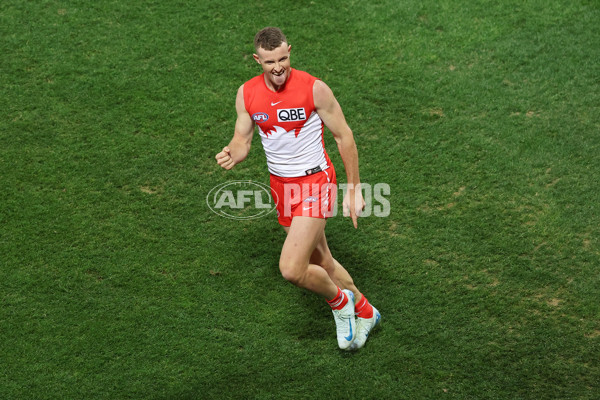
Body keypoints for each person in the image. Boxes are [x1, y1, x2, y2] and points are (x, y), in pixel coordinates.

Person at [215, 27, 380, 350]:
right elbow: (243, 138)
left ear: (290, 51)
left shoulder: (314, 89)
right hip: (281, 186)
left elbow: (343, 136)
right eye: (269, 61)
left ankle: (340, 303)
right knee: (324, 263)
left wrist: (354, 188)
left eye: (283, 58)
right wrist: (235, 151)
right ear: (257, 60)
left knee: (292, 269)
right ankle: (366, 311)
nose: (278, 67)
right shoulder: (246, 93)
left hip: (315, 182)